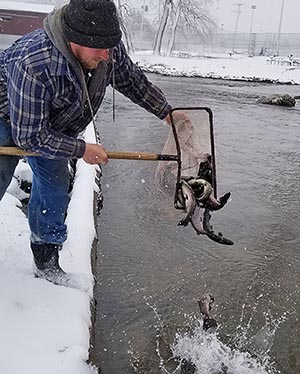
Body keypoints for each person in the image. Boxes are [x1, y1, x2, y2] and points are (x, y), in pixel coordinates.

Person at [0, 0, 178, 285]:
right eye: (100, 50)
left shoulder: (103, 43)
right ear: (74, 41)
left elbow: (130, 80)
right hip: (9, 114)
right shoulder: (33, 61)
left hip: (54, 122)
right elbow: (29, 136)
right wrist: (82, 149)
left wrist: (166, 111)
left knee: (55, 188)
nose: (107, 56)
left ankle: (46, 263)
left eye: (110, 49)